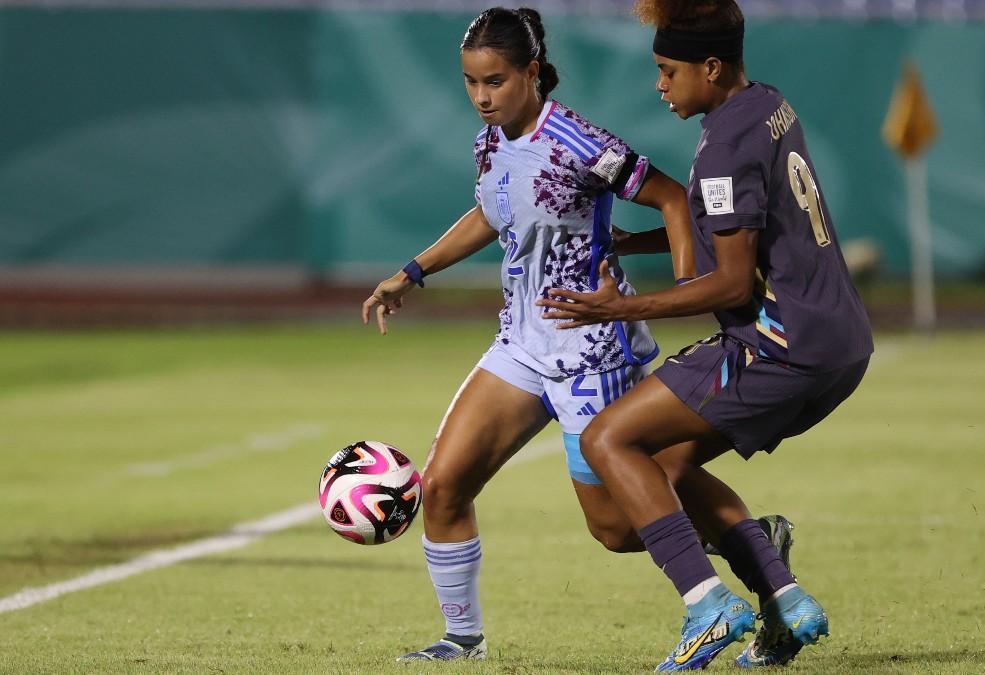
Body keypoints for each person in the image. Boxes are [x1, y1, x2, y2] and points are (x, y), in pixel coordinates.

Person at [361, 6, 793, 663]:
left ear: (532, 72)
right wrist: (411, 271)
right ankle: (462, 638)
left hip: (592, 350)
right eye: (472, 83)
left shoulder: (580, 142)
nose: (482, 96)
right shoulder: (490, 139)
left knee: (617, 530)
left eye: (496, 81)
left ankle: (751, 541)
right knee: (444, 486)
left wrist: (676, 291)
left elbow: (674, 199)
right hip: (521, 345)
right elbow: (490, 212)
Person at [536, 0, 875, 670]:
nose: (659, 85)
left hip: (782, 346)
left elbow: (729, 283)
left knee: (609, 437)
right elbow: (744, 223)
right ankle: (785, 601)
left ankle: (707, 603)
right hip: (841, 343)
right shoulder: (766, 105)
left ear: (710, 66)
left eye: (668, 71)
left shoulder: (722, 147)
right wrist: (638, 240)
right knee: (663, 465)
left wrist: (619, 310)